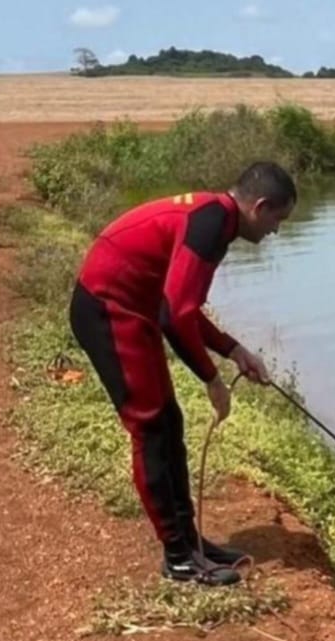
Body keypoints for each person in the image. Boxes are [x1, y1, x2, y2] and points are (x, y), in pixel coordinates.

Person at [69, 161, 297, 586]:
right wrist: (212, 380)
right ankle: (178, 559)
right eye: (277, 220)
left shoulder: (218, 218)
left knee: (168, 421)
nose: (275, 231)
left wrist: (234, 350)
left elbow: (182, 306)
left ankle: (189, 541)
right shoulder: (212, 224)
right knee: (151, 426)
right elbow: (175, 317)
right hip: (107, 309)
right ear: (260, 206)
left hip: (134, 309)